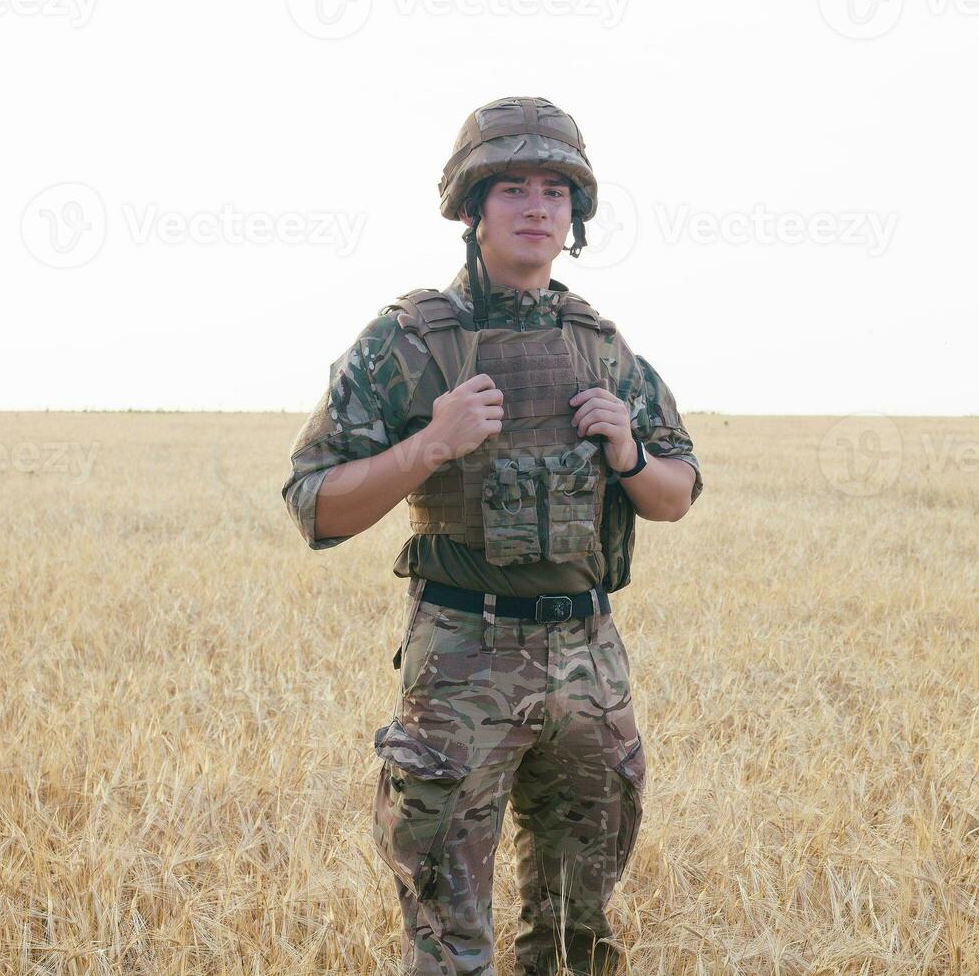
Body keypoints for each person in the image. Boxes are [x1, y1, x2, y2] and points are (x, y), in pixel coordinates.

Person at [279, 96, 703, 976]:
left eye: (556, 189)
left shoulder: (603, 346)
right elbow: (314, 505)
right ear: (471, 208)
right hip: (461, 659)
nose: (537, 207)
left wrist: (627, 451)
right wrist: (431, 444)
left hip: (589, 661)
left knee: (576, 940)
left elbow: (676, 494)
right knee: (448, 941)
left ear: (576, 214)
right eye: (512, 187)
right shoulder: (407, 343)